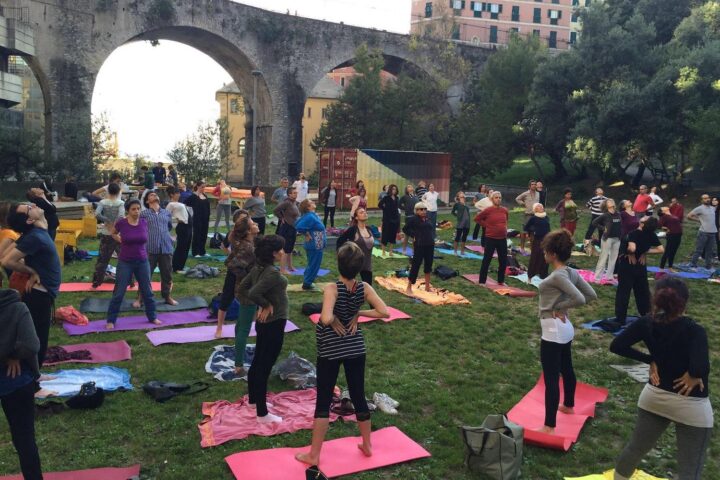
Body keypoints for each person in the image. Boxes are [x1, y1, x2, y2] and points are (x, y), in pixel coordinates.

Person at [295, 242, 389, 467]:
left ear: (338, 264)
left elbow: (325, 318)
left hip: (331, 350)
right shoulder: (364, 287)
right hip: (356, 348)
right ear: (359, 267)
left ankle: (314, 455)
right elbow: (383, 311)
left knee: (324, 399)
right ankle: (367, 445)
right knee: (358, 395)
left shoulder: (332, 288)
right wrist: (358, 312)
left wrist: (336, 317)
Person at [610, 277, 712, 480]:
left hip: (654, 397)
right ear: (684, 303)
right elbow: (700, 367)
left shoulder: (647, 322)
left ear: (656, 300)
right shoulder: (695, 331)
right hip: (690, 404)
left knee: (635, 450)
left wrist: (651, 359)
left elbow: (617, 345)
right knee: (690, 468)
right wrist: (694, 374)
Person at [536, 229, 597, 435]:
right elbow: (591, 294)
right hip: (564, 328)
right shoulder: (571, 272)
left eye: (546, 251)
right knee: (566, 367)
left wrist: (559, 307)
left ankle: (549, 426)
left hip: (553, 328)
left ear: (552, 254)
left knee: (551, 377)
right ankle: (569, 405)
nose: (544, 254)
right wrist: (563, 305)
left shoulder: (559, 276)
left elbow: (581, 298)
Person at [238, 235, 289, 423]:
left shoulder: (259, 268)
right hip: (273, 323)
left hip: (264, 323)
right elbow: (250, 292)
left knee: (258, 361)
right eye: (281, 249)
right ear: (274, 253)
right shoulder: (271, 273)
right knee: (264, 366)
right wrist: (265, 304)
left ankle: (254, 400)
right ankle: (262, 414)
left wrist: (261, 303)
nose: (283, 252)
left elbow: (243, 289)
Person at [3, 203, 62, 367]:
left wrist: (33, 271)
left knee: (39, 335)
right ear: (30, 219)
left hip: (42, 292)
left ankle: (34, 375)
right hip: (37, 295)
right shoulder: (34, 237)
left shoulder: (38, 230)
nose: (33, 205)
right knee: (37, 338)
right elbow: (6, 260)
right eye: (29, 207)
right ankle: (34, 380)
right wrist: (32, 270)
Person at [0, 286, 43, 480]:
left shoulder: (17, 307)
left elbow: (30, 344)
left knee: (24, 439)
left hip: (15, 380)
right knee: (24, 439)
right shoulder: (17, 308)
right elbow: (31, 344)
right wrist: (11, 356)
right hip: (15, 379)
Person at [106, 199, 159, 329]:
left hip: (142, 261)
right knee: (119, 292)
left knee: (147, 290)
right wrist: (120, 239)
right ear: (128, 211)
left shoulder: (143, 222)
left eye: (138, 209)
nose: (136, 211)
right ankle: (111, 320)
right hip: (125, 262)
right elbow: (113, 232)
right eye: (133, 209)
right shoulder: (122, 223)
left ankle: (152, 317)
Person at [614, 216, 664, 328]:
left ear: (642, 224)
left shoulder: (634, 233)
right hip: (641, 266)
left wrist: (629, 253)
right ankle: (646, 315)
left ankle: (620, 318)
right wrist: (645, 251)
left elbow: (632, 248)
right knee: (642, 291)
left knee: (623, 292)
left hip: (628, 265)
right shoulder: (651, 234)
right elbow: (661, 249)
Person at [225, 216, 260, 374]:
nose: (256, 224)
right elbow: (232, 265)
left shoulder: (247, 243)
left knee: (241, 324)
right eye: (253, 223)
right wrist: (247, 276)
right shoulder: (247, 247)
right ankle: (239, 365)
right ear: (247, 231)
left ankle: (238, 357)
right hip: (248, 291)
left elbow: (229, 260)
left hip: (246, 289)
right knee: (244, 327)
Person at [136, 192, 177, 306]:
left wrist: (171, 238)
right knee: (145, 275)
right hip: (150, 248)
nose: (154, 195)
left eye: (155, 194)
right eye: (151, 195)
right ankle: (140, 298)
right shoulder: (143, 214)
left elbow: (168, 227)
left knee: (167, 274)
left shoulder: (167, 213)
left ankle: (167, 296)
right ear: (147, 201)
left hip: (166, 248)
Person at [214, 209, 250, 339]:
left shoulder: (252, 236)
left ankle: (253, 324)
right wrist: (231, 254)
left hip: (247, 271)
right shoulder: (232, 234)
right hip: (234, 271)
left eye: (247, 218)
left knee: (251, 298)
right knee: (226, 298)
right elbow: (224, 246)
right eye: (242, 219)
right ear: (236, 221)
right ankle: (219, 327)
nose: (245, 220)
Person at [92, 182, 126, 288]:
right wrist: (115, 226)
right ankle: (129, 280)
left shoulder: (103, 202)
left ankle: (96, 282)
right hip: (118, 234)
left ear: (108, 191)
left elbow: (97, 214)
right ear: (118, 192)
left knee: (102, 259)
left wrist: (107, 221)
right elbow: (121, 216)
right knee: (124, 258)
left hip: (106, 233)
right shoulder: (121, 203)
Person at [476, 191, 509, 285]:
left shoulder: (504, 210)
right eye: (496, 197)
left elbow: (506, 220)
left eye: (500, 197)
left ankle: (501, 280)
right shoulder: (488, 210)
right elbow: (477, 219)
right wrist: (486, 225)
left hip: (502, 238)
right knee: (487, 260)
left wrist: (504, 228)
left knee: (503, 260)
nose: (498, 199)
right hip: (491, 238)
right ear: (492, 199)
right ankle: (482, 281)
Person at [403, 202, 435, 294]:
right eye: (421, 209)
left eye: (425, 209)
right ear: (416, 210)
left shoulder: (427, 218)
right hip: (419, 245)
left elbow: (430, 229)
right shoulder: (413, 219)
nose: (424, 211)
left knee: (428, 265)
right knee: (416, 265)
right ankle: (409, 287)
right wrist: (414, 235)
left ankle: (427, 287)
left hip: (430, 245)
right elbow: (405, 229)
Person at [337, 208, 374, 284]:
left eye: (365, 212)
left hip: (366, 264)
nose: (364, 213)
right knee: (348, 285)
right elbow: (340, 241)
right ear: (356, 217)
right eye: (361, 212)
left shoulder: (369, 229)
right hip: (353, 263)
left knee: (367, 287)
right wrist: (339, 254)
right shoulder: (353, 230)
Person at [295, 199, 327, 291]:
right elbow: (298, 226)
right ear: (308, 207)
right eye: (311, 202)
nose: (313, 202)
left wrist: (307, 233)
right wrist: (307, 234)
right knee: (314, 264)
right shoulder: (309, 216)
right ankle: (307, 284)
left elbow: (298, 222)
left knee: (312, 263)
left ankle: (307, 280)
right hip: (315, 244)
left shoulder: (311, 215)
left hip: (316, 244)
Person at [592, 199, 622, 283]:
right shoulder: (605, 215)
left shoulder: (618, 214)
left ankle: (609, 276)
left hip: (617, 239)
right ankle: (597, 278)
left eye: (612, 201)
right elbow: (594, 222)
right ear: (606, 205)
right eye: (609, 201)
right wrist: (603, 228)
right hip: (607, 239)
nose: (612, 201)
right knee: (603, 257)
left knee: (613, 258)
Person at [273, 187, 300, 274]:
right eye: (294, 193)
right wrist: (282, 218)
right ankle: (282, 269)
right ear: (289, 194)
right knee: (284, 249)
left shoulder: (295, 203)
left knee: (290, 248)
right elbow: (275, 210)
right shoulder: (286, 203)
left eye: (296, 193)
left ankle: (290, 266)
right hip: (286, 228)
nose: (296, 194)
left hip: (293, 227)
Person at [687, 194, 717, 270]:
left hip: (713, 232)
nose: (707, 199)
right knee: (699, 250)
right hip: (703, 232)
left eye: (708, 198)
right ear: (702, 200)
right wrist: (698, 220)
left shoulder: (713, 208)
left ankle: (708, 266)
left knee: (709, 251)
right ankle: (693, 264)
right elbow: (689, 216)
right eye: (705, 198)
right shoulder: (699, 208)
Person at [166, 186, 192, 273]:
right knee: (181, 247)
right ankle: (176, 267)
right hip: (182, 226)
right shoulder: (170, 204)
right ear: (171, 195)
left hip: (188, 226)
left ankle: (181, 266)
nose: (179, 195)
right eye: (177, 193)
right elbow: (166, 215)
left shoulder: (179, 202)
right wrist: (175, 219)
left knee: (186, 247)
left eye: (179, 193)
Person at [524, 203, 551, 279]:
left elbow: (548, 227)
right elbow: (526, 227)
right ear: (535, 209)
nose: (541, 207)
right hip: (537, 240)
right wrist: (534, 230)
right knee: (535, 257)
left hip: (546, 240)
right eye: (539, 206)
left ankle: (543, 275)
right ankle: (531, 275)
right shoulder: (533, 218)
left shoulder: (546, 217)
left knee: (545, 257)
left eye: (541, 206)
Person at [185, 181, 211, 258]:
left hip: (205, 218)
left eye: (204, 187)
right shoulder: (193, 196)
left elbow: (207, 207)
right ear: (198, 186)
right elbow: (185, 204)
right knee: (197, 234)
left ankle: (202, 251)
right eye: (202, 187)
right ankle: (195, 252)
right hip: (197, 218)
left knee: (204, 234)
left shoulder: (205, 196)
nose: (203, 188)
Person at [515, 180, 539, 250]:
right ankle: (522, 247)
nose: (534, 185)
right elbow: (517, 199)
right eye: (532, 184)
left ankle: (532, 247)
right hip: (527, 215)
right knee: (524, 231)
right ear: (529, 186)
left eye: (535, 184)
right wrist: (523, 203)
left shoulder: (538, 194)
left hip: (535, 215)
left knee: (532, 232)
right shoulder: (526, 193)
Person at [378, 185, 400, 257]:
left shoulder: (397, 198)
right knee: (385, 234)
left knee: (393, 235)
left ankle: (391, 251)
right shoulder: (386, 197)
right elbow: (379, 204)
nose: (394, 190)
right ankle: (383, 251)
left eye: (395, 189)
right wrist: (385, 209)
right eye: (393, 189)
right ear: (390, 190)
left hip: (395, 218)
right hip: (387, 219)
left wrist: (397, 218)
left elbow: (397, 207)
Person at [399, 185, 419, 254]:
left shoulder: (416, 197)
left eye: (411, 186)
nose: (410, 188)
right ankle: (404, 250)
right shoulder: (404, 197)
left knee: (415, 235)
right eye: (408, 187)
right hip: (408, 217)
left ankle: (414, 250)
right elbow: (399, 204)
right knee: (407, 235)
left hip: (416, 218)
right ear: (406, 190)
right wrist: (405, 209)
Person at [451, 191, 471, 256]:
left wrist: (464, 204)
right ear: (458, 197)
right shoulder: (457, 204)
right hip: (460, 223)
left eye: (463, 196)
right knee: (457, 237)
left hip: (467, 223)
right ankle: (455, 251)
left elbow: (468, 210)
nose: (463, 197)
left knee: (464, 237)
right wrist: (458, 216)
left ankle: (462, 251)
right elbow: (453, 212)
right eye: (461, 196)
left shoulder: (466, 204)